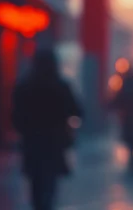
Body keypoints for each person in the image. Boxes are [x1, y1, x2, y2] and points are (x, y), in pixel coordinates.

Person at [12, 48, 82, 210]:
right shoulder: (61, 86)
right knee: (50, 183)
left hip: (32, 141)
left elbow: (16, 115)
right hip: (54, 141)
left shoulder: (25, 86)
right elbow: (76, 110)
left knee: (35, 182)